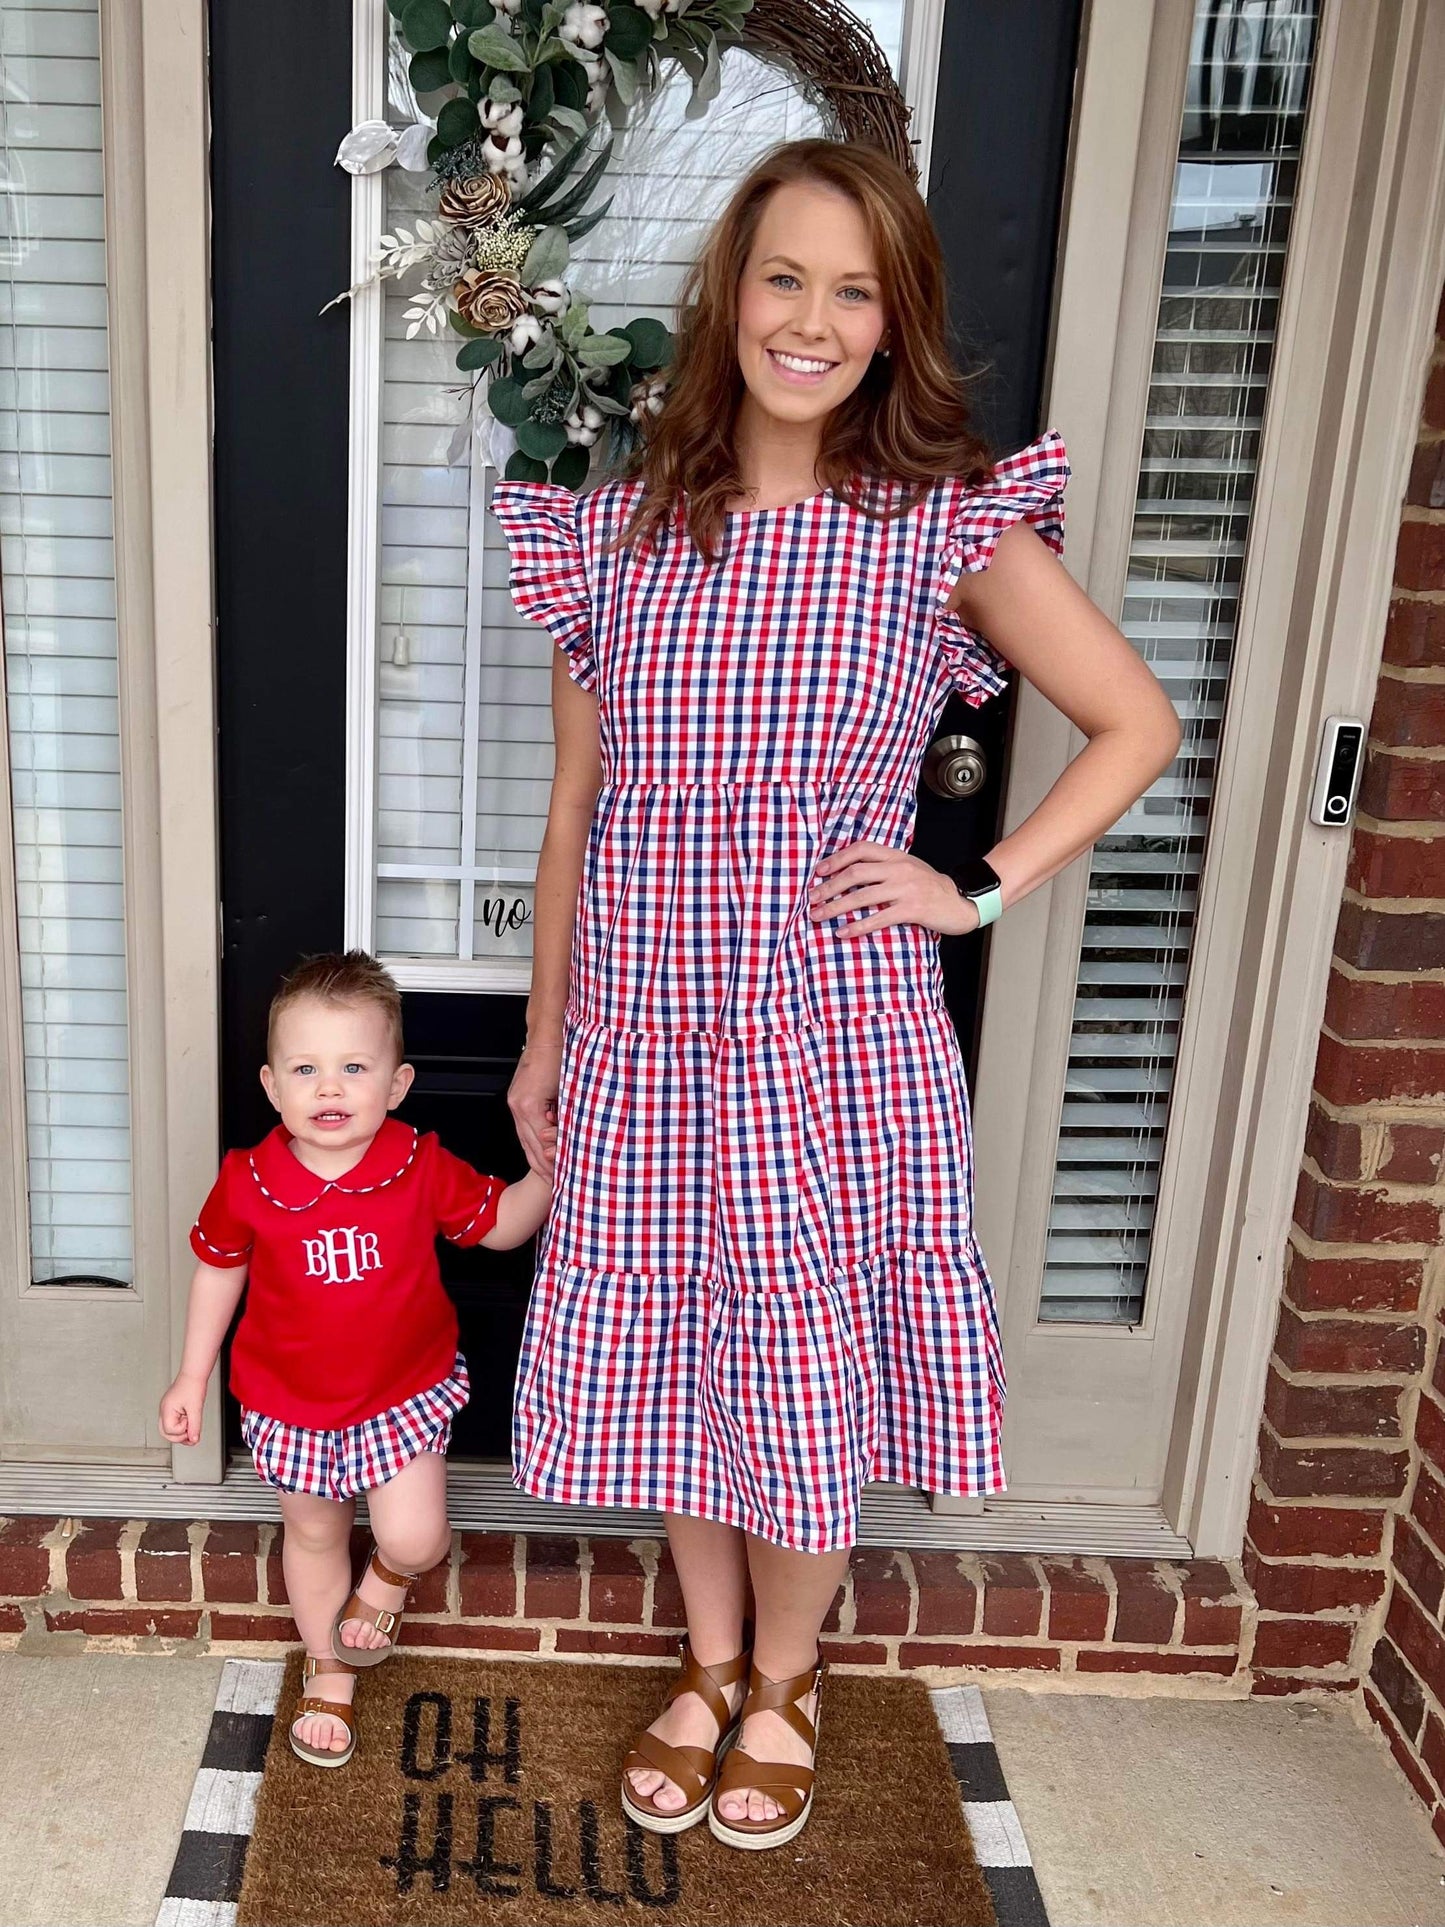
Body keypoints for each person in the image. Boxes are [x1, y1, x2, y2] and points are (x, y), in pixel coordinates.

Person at [494, 138, 1180, 1850]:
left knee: (794, 1368)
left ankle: (789, 1679)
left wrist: (976, 885)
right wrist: (538, 1036)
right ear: (732, 296)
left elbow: (1137, 723)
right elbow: (577, 811)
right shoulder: (622, 532)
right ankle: (711, 1658)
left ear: (896, 324)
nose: (811, 320)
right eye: (784, 278)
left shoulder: (935, 527)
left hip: (825, 1036)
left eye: (854, 291)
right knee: (672, 1355)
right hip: (645, 1032)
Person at [159, 950, 550, 1767]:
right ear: (271, 1086)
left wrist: (554, 1172)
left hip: (398, 1394)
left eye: (352, 1067)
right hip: (288, 1399)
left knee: (414, 1534)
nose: (328, 1088)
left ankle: (385, 1584)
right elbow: (219, 1271)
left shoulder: (416, 1163)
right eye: (306, 1068)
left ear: (397, 1084)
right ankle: (329, 1670)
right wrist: (193, 1372)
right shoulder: (249, 1181)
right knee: (310, 1532)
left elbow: (500, 1224)